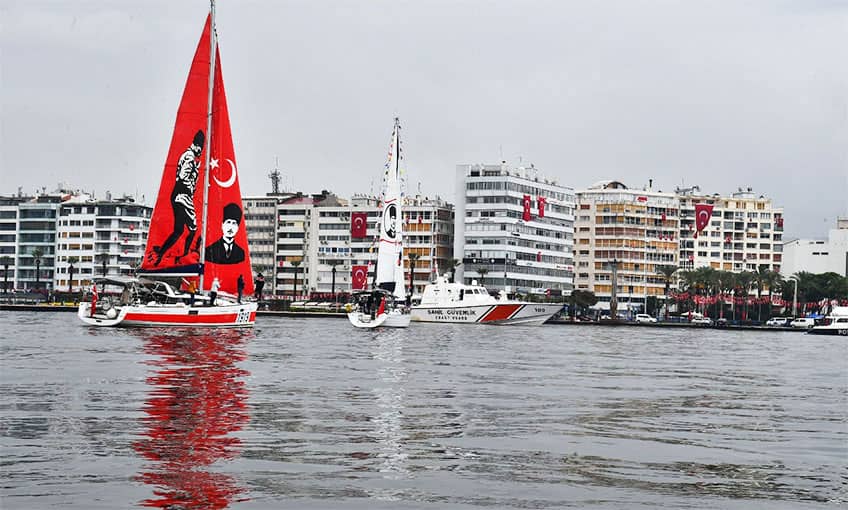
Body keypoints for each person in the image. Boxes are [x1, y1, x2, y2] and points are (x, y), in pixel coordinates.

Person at [152, 130, 204, 266]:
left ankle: (161, 253)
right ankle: (186, 257)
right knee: (193, 228)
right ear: (197, 145)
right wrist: (191, 185)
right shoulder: (190, 157)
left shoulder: (188, 156)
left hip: (178, 194)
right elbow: (182, 177)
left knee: (179, 230)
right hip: (183, 195)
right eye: (201, 149)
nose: (201, 152)